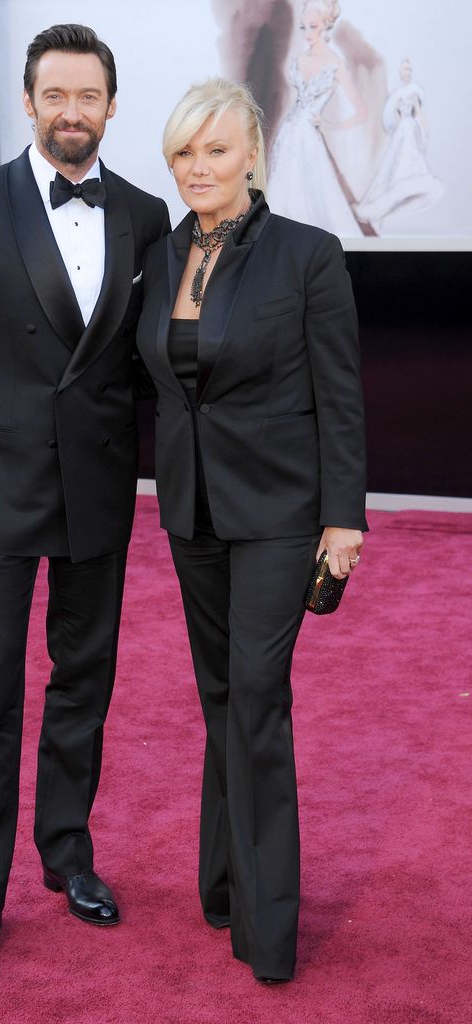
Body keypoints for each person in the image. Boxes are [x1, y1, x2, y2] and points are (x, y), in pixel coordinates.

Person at [0, 23, 169, 979]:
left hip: (96, 488)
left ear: (109, 105)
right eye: (54, 96)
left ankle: (69, 856)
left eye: (88, 97)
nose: (71, 113)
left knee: (83, 683)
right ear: (28, 102)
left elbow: (146, 367)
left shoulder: (144, 215)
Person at [136, 77, 367, 983]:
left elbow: (339, 395)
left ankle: (268, 929)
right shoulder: (160, 257)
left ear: (252, 153)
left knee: (258, 701)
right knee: (221, 699)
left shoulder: (308, 255)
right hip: (189, 510)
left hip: (279, 513)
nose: (198, 167)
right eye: (184, 152)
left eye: (215, 150)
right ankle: (224, 882)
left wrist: (342, 516)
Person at [267, 0, 367, 236]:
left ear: (326, 25)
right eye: (303, 27)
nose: (307, 33)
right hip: (288, 134)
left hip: (309, 138)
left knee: (313, 195)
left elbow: (361, 111)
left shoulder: (334, 64)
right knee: (283, 191)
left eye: (313, 26)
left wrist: (330, 125)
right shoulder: (300, 59)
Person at [355, 58, 443, 231]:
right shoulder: (396, 94)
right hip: (401, 130)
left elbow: (418, 114)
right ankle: (390, 197)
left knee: (409, 157)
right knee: (394, 162)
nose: (407, 73)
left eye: (409, 69)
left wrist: (423, 129)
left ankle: (407, 185)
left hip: (409, 128)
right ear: (400, 72)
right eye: (404, 70)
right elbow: (391, 118)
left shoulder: (413, 92)